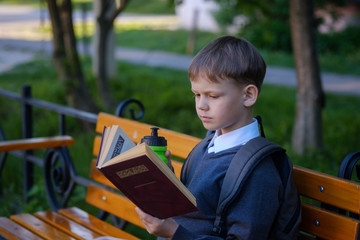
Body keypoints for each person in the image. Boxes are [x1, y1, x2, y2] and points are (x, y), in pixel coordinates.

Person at [135, 35, 301, 239]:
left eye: (213, 96)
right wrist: (168, 182)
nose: (201, 105)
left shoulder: (257, 171)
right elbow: (199, 212)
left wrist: (172, 232)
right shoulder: (208, 146)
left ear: (248, 95)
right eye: (197, 94)